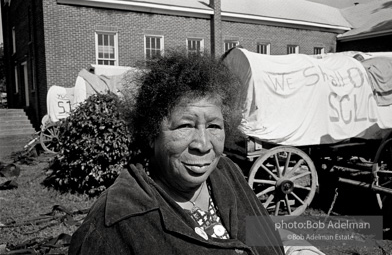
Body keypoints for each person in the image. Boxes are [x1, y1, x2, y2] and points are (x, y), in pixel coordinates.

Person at [68, 50, 320, 255]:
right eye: (185, 125)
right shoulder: (115, 224)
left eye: (213, 126)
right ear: (151, 132)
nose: (203, 144)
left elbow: (260, 230)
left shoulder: (225, 172)